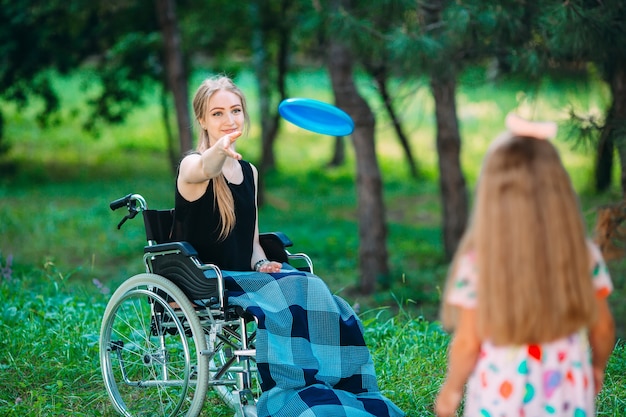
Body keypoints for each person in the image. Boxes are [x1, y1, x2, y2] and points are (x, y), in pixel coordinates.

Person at [175, 75, 404, 417]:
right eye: (218, 113)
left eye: (235, 111)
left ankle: (341, 386)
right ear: (202, 120)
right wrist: (218, 153)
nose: (229, 120)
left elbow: (251, 241)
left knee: (314, 287)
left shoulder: (248, 172)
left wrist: (260, 263)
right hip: (208, 279)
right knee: (287, 295)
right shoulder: (192, 165)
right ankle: (290, 393)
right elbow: (206, 167)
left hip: (244, 275)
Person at [435, 113, 616, 417]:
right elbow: (604, 327)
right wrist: (597, 367)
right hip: (567, 396)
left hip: (499, 399)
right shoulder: (582, 255)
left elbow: (467, 342)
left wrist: (451, 392)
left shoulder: (480, 262)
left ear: (492, 195)